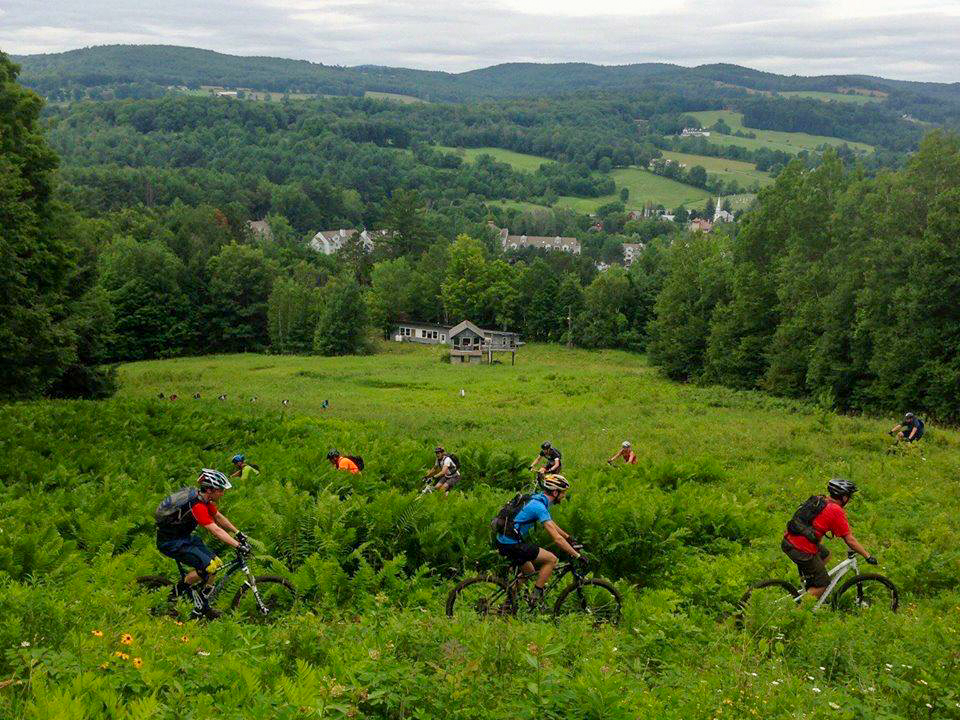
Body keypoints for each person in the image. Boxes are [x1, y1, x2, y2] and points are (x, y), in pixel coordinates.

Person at [154, 469, 249, 618]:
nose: (223, 493)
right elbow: (215, 530)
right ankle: (174, 594)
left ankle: (203, 606)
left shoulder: (204, 500)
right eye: (220, 490)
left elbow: (218, 517)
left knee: (216, 564)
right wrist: (238, 545)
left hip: (184, 538)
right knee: (208, 567)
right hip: (171, 542)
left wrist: (238, 533)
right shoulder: (197, 506)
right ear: (210, 490)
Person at [495, 474, 585, 609]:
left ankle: (508, 604)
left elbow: (550, 523)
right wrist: (576, 555)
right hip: (511, 544)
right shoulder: (539, 507)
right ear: (555, 492)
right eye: (563, 493)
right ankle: (535, 598)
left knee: (529, 571)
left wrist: (568, 537)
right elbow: (557, 540)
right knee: (551, 559)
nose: (564, 496)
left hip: (504, 540)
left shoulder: (537, 499)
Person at [781, 477, 877, 603]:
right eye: (849, 496)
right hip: (802, 550)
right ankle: (801, 609)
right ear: (844, 498)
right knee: (823, 584)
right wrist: (867, 556)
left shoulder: (820, 500)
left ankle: (812, 584)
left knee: (825, 554)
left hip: (789, 540)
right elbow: (849, 540)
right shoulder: (836, 510)